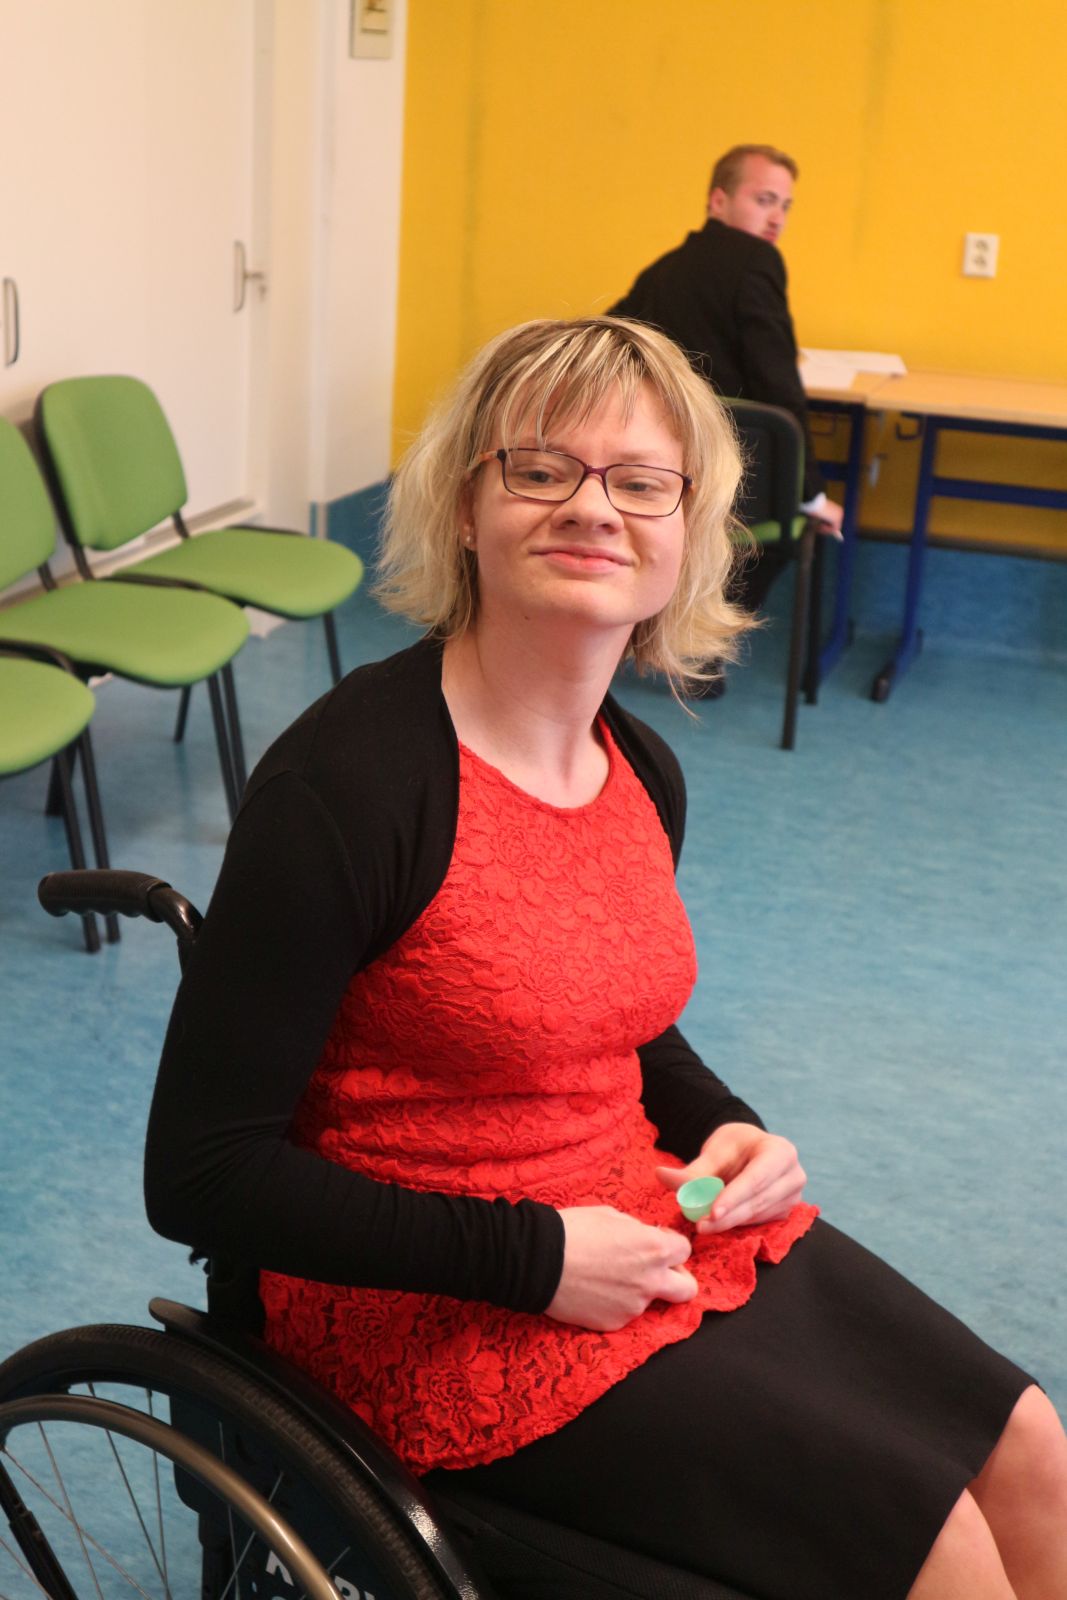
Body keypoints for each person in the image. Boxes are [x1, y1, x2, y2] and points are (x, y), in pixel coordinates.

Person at [145, 316, 1067, 1600]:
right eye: (540, 469)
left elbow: (606, 1014)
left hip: (634, 1218)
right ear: (464, 506)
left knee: (1027, 1444)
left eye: (640, 483)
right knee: (934, 1548)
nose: (592, 508)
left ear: (685, 534)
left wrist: (726, 1125)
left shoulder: (638, 769)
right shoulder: (348, 788)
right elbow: (199, 1177)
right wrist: (531, 1259)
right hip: (426, 1305)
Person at [610, 144, 844, 618]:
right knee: (788, 535)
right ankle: (707, 637)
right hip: (735, 486)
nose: (777, 218)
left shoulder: (662, 270)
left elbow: (607, 347)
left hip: (657, 477)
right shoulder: (757, 260)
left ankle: (671, 630)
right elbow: (779, 386)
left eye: (785, 206)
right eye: (764, 200)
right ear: (719, 200)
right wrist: (813, 495)